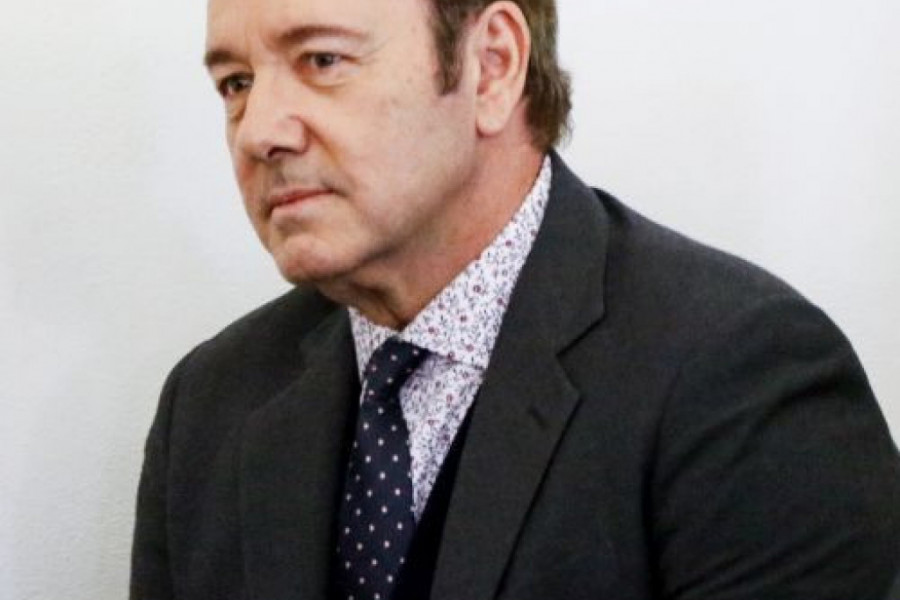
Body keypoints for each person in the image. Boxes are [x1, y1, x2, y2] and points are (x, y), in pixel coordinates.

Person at [130, 0, 900, 598]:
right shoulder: (210, 404)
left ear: (492, 66)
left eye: (323, 60)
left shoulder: (743, 382)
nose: (259, 131)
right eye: (236, 83)